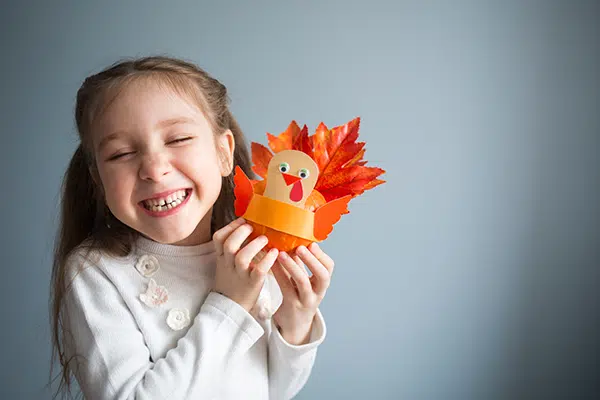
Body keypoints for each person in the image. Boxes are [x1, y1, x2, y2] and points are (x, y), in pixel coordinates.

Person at [49, 56, 335, 399]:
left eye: (179, 139)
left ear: (223, 154)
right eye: (122, 153)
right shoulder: (96, 271)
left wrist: (296, 321)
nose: (154, 169)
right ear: (98, 178)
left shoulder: (250, 252)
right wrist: (229, 304)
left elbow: (273, 390)